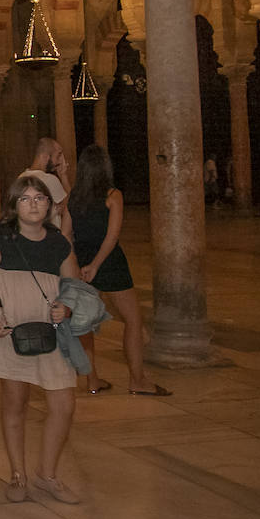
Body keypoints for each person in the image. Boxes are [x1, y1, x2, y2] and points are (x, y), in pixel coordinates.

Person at [0, 174, 81, 507]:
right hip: (12, 332)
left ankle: (46, 475)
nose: (33, 204)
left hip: (53, 333)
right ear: (15, 206)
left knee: (63, 405)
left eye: (39, 198)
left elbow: (74, 287)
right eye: (25, 199)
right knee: (14, 404)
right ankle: (17, 474)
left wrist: (67, 307)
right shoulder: (1, 240)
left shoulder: (59, 243)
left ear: (50, 205)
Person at [69, 145, 170, 397]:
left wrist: (79, 265)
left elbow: (65, 235)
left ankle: (92, 379)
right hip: (109, 262)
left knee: (86, 324)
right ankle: (138, 380)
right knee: (133, 321)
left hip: (82, 263)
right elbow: (111, 237)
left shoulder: (74, 197)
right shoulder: (113, 195)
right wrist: (96, 265)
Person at [20, 138, 71, 239]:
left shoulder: (21, 177)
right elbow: (71, 204)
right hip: (50, 238)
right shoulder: (49, 179)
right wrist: (63, 175)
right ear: (45, 157)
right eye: (57, 156)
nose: (59, 162)